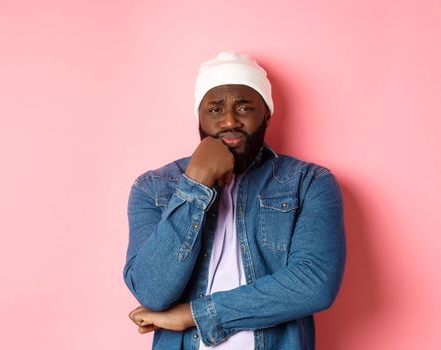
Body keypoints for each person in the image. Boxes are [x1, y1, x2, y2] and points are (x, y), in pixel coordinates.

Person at [123, 51, 346, 349]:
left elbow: (314, 284)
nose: (229, 120)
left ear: (266, 113)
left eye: (244, 107)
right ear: (199, 116)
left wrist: (195, 315)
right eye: (215, 109)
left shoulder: (309, 182)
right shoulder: (153, 188)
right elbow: (152, 291)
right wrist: (195, 182)